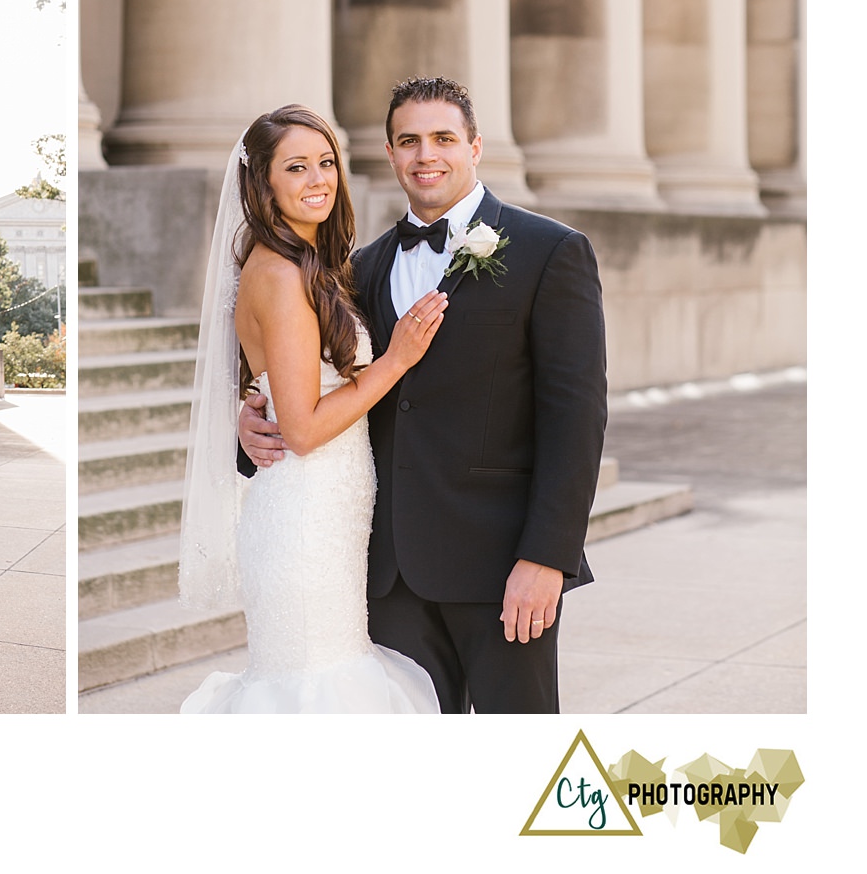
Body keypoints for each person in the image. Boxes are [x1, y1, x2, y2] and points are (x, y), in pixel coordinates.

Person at [238, 77, 607, 713]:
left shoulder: (551, 253)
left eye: (443, 138)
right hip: (383, 576)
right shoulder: (356, 270)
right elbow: (308, 377)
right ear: (389, 152)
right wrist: (253, 418)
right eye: (408, 141)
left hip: (499, 569)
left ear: (475, 146)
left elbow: (577, 420)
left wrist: (547, 558)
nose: (425, 155)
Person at [178, 105, 445, 713]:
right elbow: (300, 429)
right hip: (303, 523)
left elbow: (274, 387)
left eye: (326, 162)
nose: (318, 179)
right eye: (296, 167)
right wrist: (396, 359)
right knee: (316, 692)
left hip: (329, 520)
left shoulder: (311, 265)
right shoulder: (278, 274)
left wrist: (254, 404)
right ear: (263, 184)